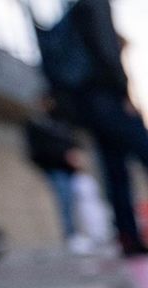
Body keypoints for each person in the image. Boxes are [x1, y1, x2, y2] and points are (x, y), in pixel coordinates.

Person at [51, 0, 148, 257]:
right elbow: (106, 49)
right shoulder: (95, 5)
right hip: (109, 96)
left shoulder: (75, 9)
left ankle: (128, 236)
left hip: (88, 103)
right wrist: (124, 91)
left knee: (115, 169)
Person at [24, 94, 94, 255]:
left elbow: (73, 141)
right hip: (55, 168)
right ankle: (72, 236)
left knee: (79, 200)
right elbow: (35, 150)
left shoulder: (61, 122)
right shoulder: (35, 124)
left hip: (70, 169)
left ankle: (84, 235)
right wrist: (53, 161)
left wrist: (76, 156)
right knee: (65, 200)